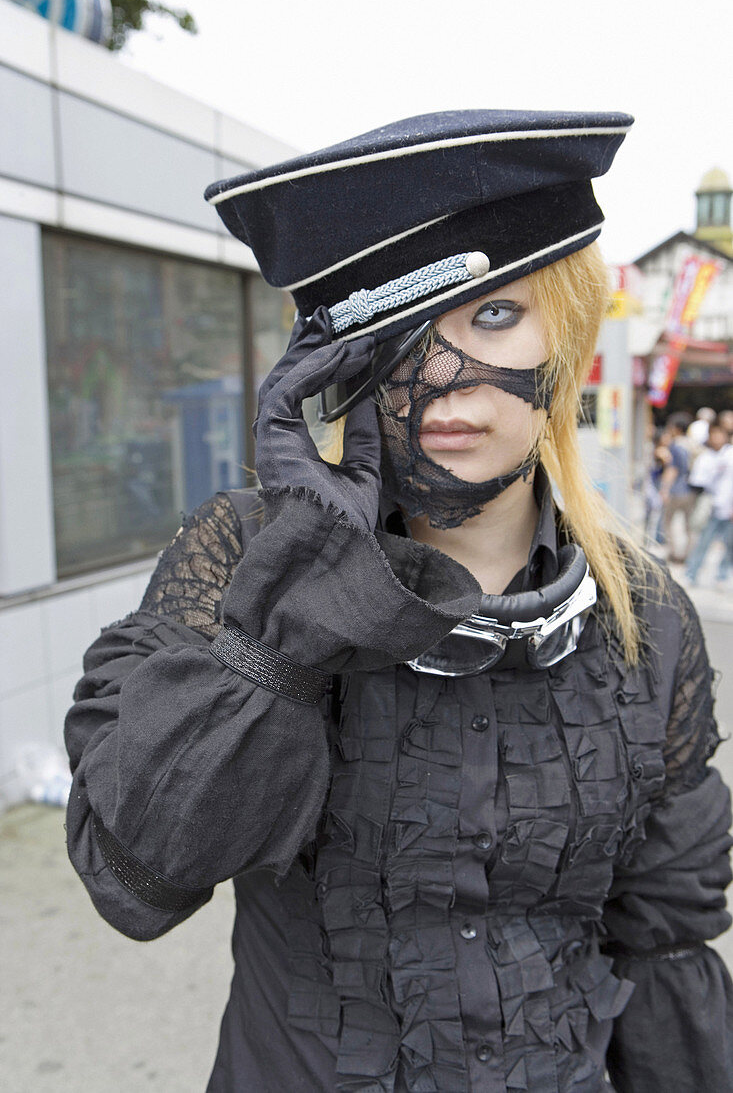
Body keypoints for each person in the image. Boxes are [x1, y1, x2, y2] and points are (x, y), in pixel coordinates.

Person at [64, 111, 733, 1092]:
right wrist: (289, 617)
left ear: (570, 328)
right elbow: (138, 878)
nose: (442, 378)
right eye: (398, 331)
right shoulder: (242, 555)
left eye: (493, 314)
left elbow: (662, 946)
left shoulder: (646, 615)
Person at [685, 420, 733, 585]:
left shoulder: (730, 455)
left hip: (729, 508)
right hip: (710, 507)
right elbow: (696, 482)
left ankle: (722, 575)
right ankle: (692, 573)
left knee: (729, 544)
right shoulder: (705, 457)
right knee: (703, 542)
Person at [659, 412, 696, 562]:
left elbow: (673, 470)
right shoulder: (692, 444)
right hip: (691, 490)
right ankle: (688, 554)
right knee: (689, 525)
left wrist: (664, 489)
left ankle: (674, 553)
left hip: (676, 489)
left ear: (677, 428)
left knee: (668, 523)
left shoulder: (675, 446)